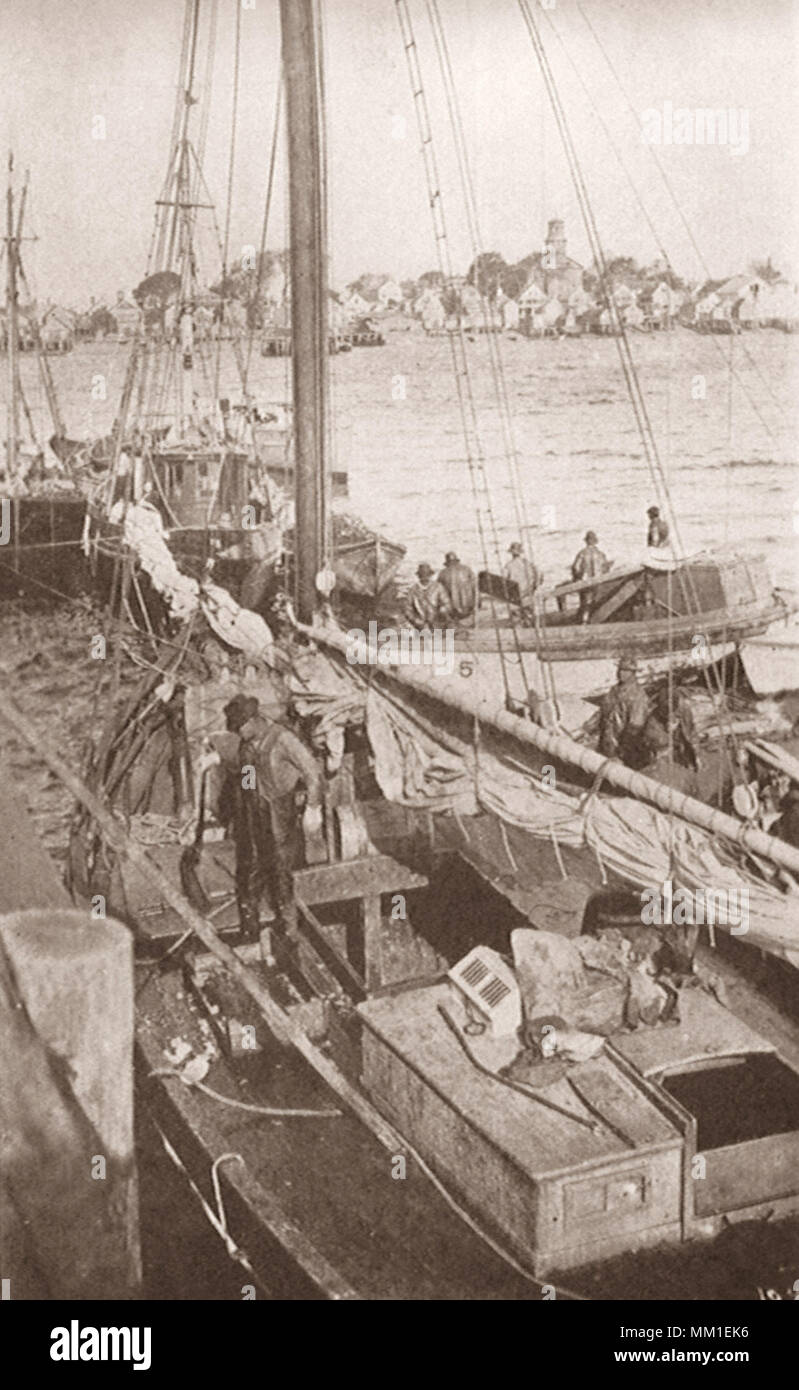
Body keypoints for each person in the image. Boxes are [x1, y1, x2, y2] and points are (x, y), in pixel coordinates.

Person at [233, 697, 324, 939]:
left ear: (253, 720)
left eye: (239, 726)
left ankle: (290, 928)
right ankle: (249, 927)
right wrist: (247, 802)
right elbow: (247, 777)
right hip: (255, 811)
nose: (237, 732)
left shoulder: (283, 739)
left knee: (283, 866)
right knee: (252, 864)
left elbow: (313, 773)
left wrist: (313, 808)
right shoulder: (247, 744)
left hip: (280, 810)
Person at [599, 658, 653, 769]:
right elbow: (602, 712)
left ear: (633, 673)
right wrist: (585, 729)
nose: (620, 673)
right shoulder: (614, 690)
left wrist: (621, 753)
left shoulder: (638, 695)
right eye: (619, 669)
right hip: (608, 743)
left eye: (625, 670)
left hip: (625, 749)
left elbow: (634, 728)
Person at [571, 531, 609, 621]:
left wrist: (577, 578)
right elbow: (606, 568)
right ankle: (594, 620)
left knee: (585, 603)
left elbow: (576, 568)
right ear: (595, 541)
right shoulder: (600, 554)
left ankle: (584, 621)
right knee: (596, 602)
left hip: (585, 583)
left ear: (586, 541)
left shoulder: (582, 553)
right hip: (599, 581)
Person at [404, 562, 452, 629]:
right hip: (419, 624)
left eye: (427, 575)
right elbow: (407, 608)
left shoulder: (438, 587)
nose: (425, 577)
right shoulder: (413, 590)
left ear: (430, 575)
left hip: (437, 623)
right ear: (419, 576)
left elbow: (447, 603)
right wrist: (415, 620)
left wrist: (443, 609)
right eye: (422, 575)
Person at [437, 551, 476, 622]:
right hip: (468, 607)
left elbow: (438, 592)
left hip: (453, 610)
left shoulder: (442, 573)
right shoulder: (467, 569)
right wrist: (476, 604)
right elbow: (475, 588)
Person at [503, 542, 539, 610]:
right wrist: (534, 587)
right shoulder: (528, 563)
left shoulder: (508, 566)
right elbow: (538, 575)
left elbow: (504, 582)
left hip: (516, 597)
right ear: (520, 552)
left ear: (511, 553)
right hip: (528, 593)